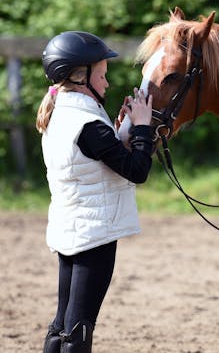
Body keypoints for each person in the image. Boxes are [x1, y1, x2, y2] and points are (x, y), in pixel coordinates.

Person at [36, 31, 155, 353]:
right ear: (80, 77)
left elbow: (95, 160)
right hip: (94, 233)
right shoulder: (89, 124)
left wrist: (119, 135)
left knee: (62, 322)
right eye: (102, 76)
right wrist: (142, 126)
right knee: (79, 326)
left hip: (69, 227)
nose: (106, 83)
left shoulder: (62, 112)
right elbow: (137, 170)